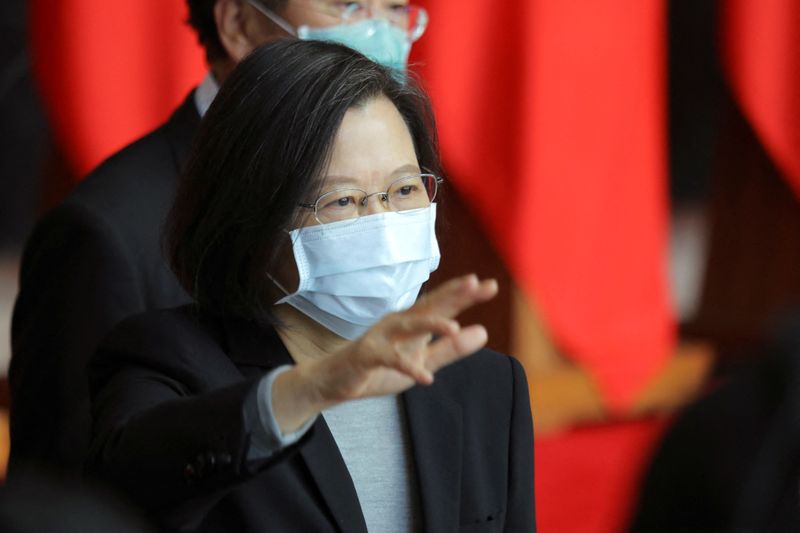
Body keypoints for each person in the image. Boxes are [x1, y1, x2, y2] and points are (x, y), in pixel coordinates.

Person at [87, 40, 536, 532]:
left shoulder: (486, 385)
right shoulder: (166, 361)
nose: (383, 221)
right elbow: (121, 492)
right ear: (253, 221)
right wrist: (309, 389)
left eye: (405, 189)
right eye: (341, 200)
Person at [8, 0, 429, 476]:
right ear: (238, 23)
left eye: (395, 6)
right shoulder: (108, 232)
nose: (379, 31)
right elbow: (70, 488)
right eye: (347, 4)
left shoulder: (401, 201)